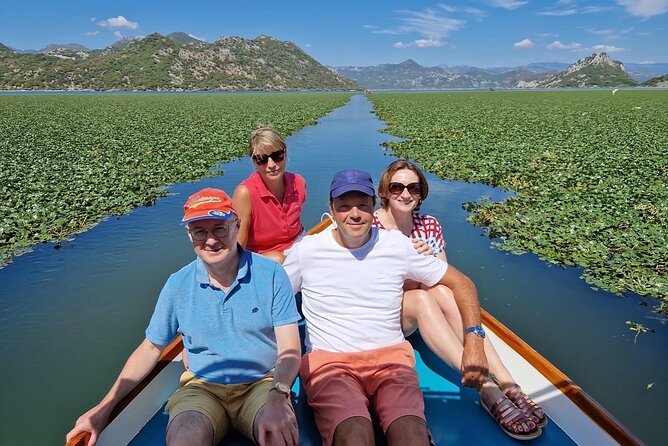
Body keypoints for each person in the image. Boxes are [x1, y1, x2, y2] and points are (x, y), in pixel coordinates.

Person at [66, 188, 301, 446]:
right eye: (200, 231)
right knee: (185, 435)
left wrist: (279, 396)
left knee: (280, 435)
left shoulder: (271, 275)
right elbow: (151, 348)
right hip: (202, 387)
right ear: (189, 235)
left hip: (262, 383)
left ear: (237, 224)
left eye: (219, 228)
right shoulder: (177, 285)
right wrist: (105, 407)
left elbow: (290, 347)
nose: (210, 240)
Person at [282, 169, 491, 446]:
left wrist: (474, 341)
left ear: (373, 206)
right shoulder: (307, 250)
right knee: (355, 436)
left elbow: (461, 283)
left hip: (391, 359)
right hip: (331, 362)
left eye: (362, 205)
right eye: (344, 206)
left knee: (411, 436)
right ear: (331, 209)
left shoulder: (397, 245)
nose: (354, 214)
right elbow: (273, 298)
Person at [373, 159, 545, 439]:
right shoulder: (372, 229)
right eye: (397, 187)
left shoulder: (428, 225)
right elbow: (374, 287)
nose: (405, 194)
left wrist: (427, 256)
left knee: (441, 291)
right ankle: (486, 390)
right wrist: (405, 261)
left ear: (421, 193)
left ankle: (508, 384)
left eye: (413, 188)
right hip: (392, 314)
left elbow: (447, 278)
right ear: (385, 191)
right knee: (422, 297)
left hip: (425, 304)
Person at [233, 127, 306, 264]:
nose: (271, 165)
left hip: (297, 244)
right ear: (254, 162)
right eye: (262, 159)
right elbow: (238, 248)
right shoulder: (245, 193)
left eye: (277, 156)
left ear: (285, 154)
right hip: (263, 256)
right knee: (278, 260)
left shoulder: (299, 182)